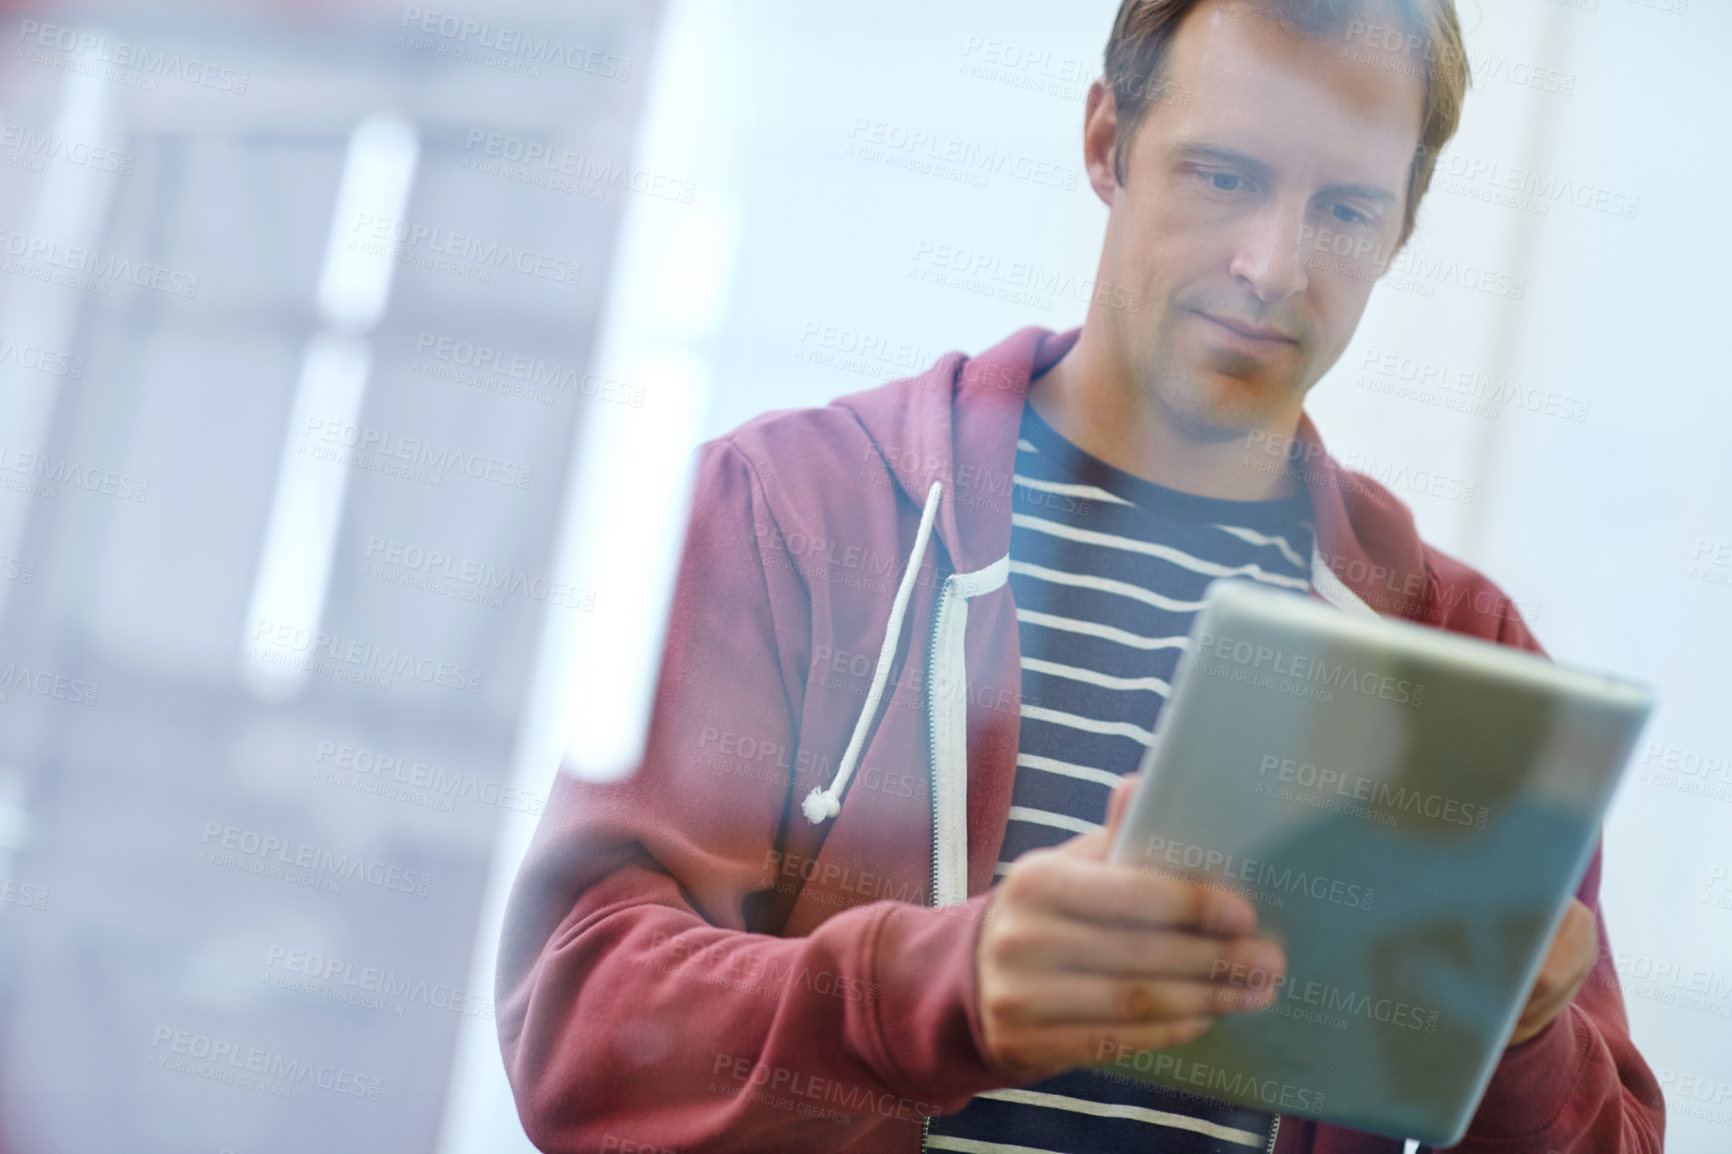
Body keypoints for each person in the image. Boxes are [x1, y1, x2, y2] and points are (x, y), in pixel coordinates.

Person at [495, 1, 1665, 1151]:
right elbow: (583, 1019)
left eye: (1347, 208)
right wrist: (945, 992)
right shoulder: (786, 512)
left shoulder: (1460, 650)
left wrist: (1525, 1046)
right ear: (1107, 141)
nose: (1273, 267)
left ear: (1402, 227)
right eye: (1223, 176)